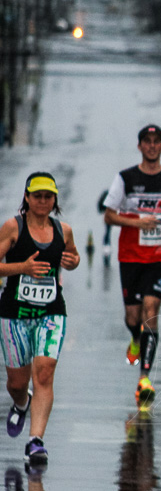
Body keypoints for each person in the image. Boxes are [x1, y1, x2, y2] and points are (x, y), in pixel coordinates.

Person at [103, 124, 161, 410]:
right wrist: (137, 222)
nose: (152, 146)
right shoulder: (126, 178)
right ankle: (135, 340)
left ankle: (145, 379)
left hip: (159, 257)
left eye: (156, 142)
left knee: (151, 312)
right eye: (147, 142)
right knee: (132, 317)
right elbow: (109, 216)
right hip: (130, 257)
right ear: (140, 146)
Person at [0, 172, 81, 466]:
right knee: (16, 383)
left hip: (51, 312)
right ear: (27, 198)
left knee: (44, 372)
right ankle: (22, 403)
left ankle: (35, 441)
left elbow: (72, 257)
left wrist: (73, 261)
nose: (43, 201)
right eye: (37, 196)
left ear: (54, 199)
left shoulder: (63, 230)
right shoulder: (13, 227)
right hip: (14, 314)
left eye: (48, 197)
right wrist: (22, 267)